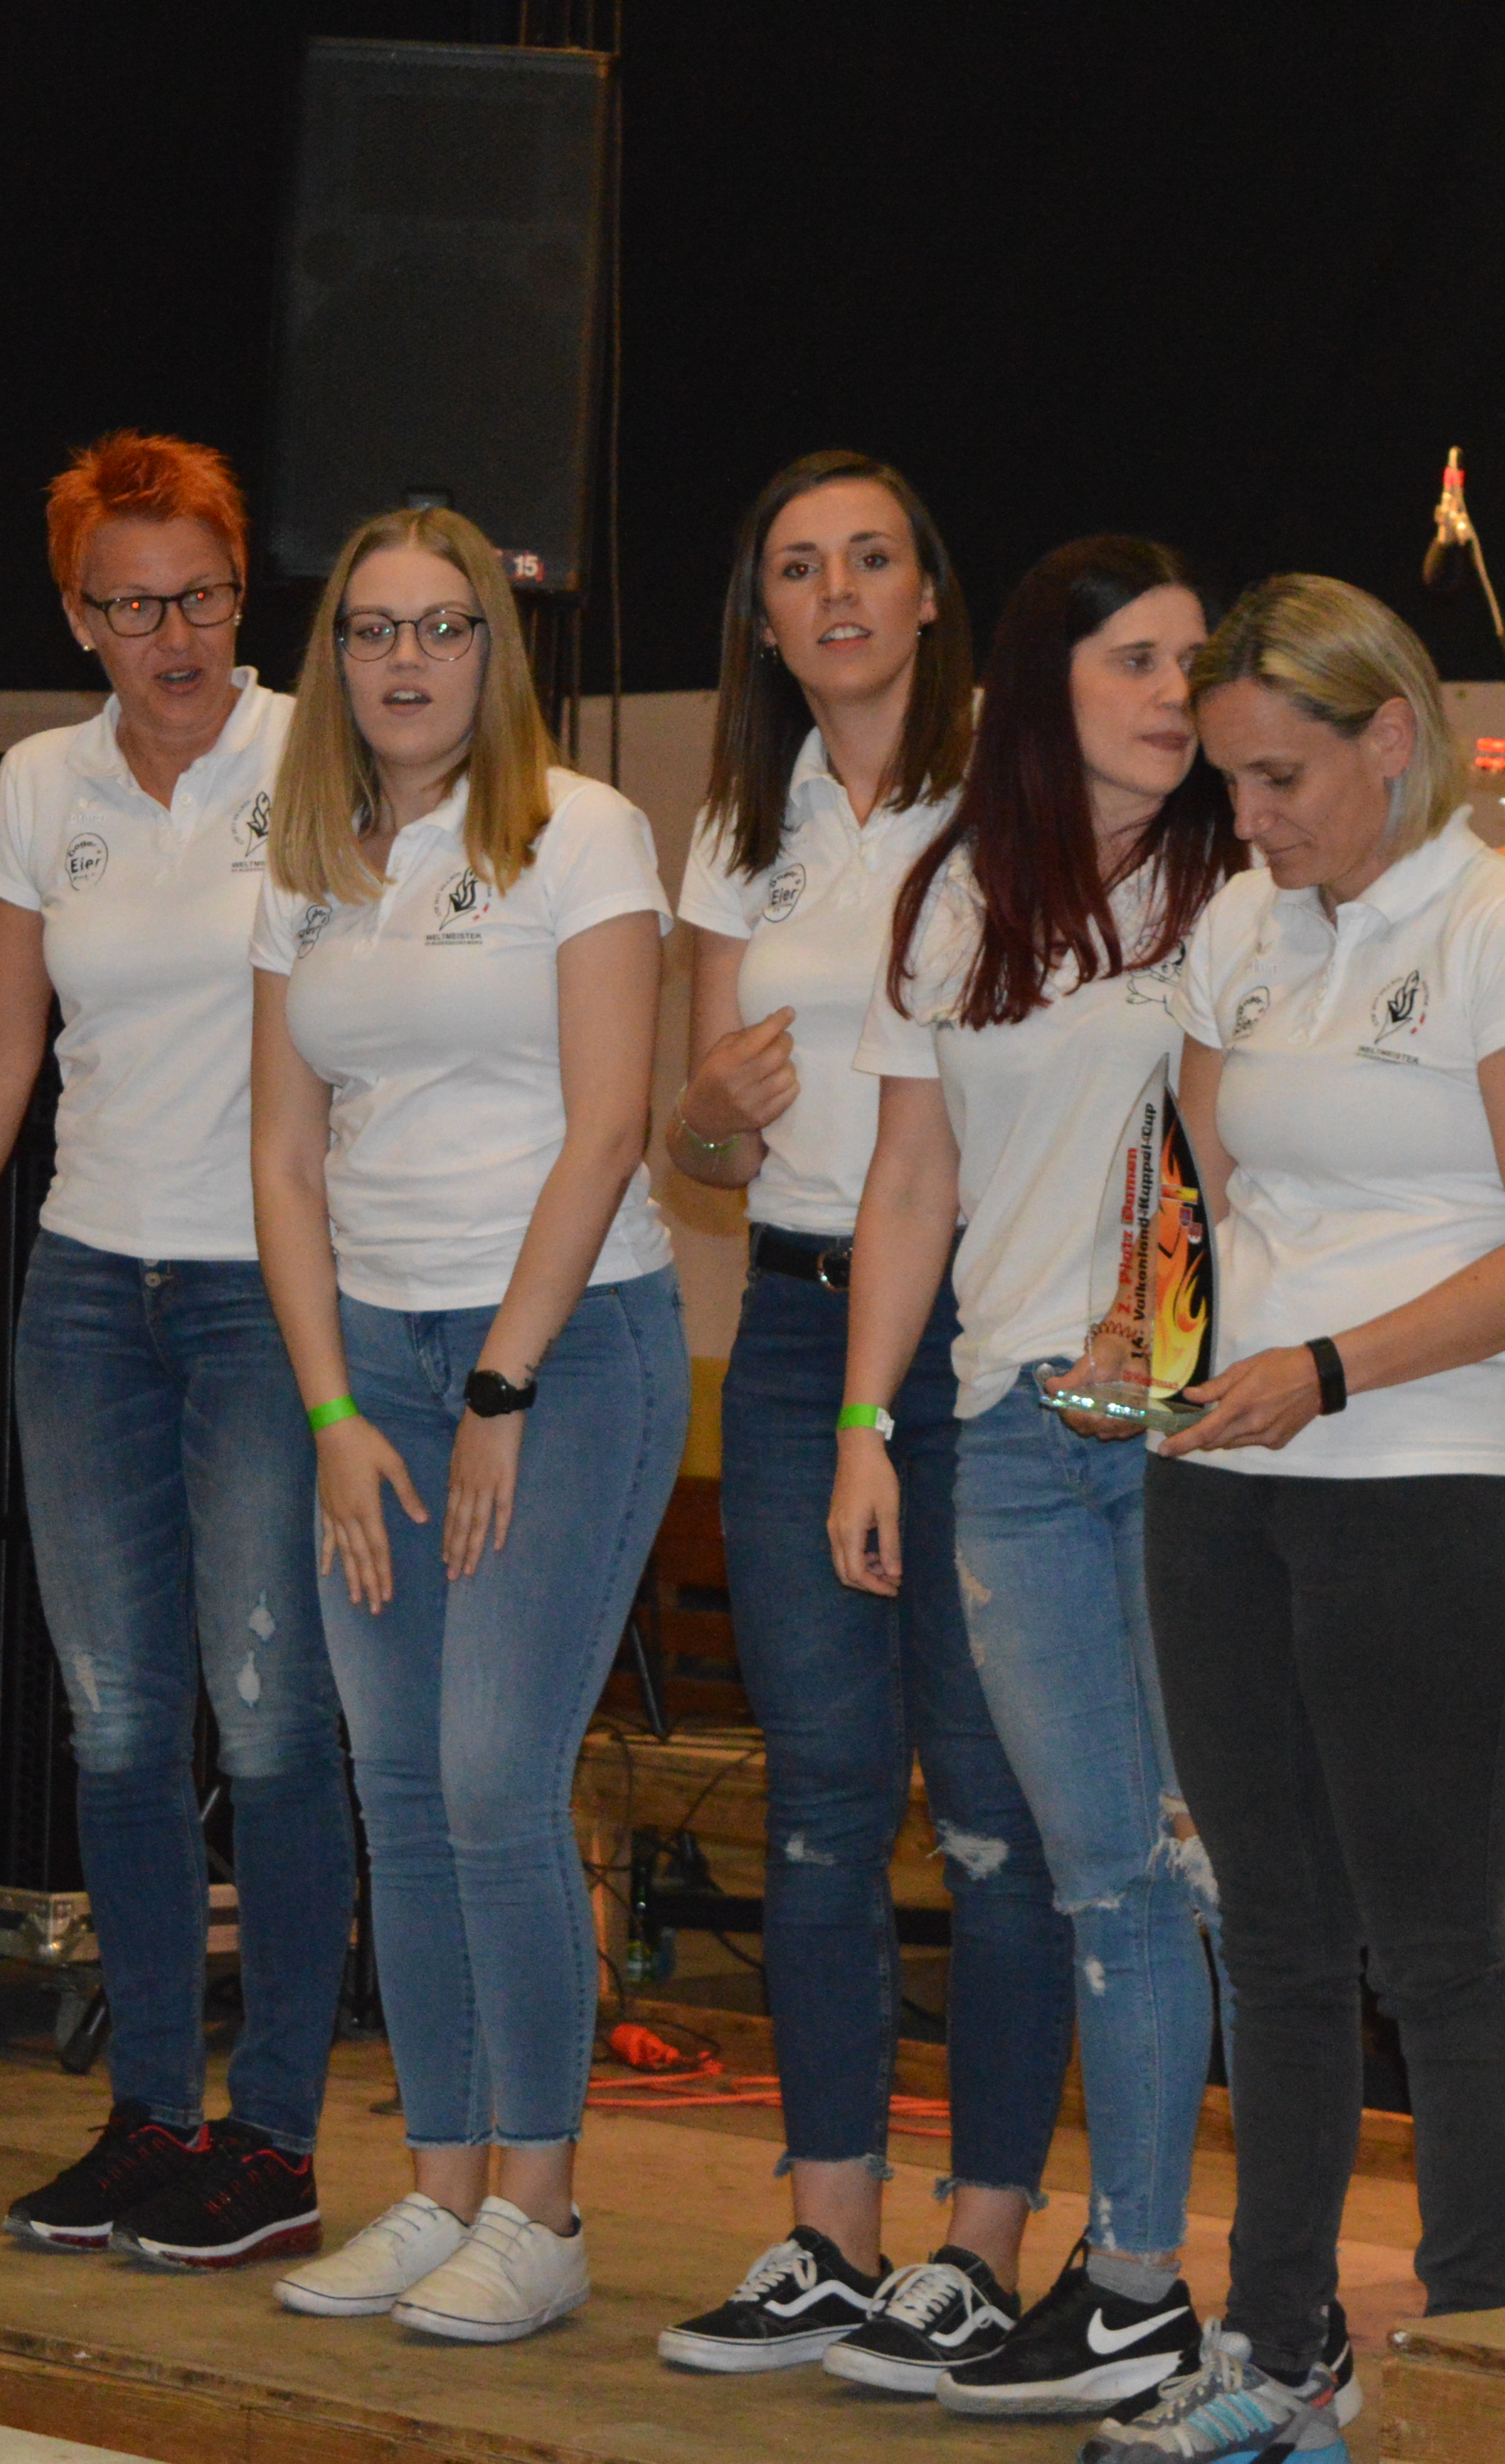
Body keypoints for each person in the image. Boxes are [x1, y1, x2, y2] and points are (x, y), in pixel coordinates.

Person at [1080, 577, 1505, 2464]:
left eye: (1282, 778)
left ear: (1391, 738)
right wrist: (1141, 1344)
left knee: (1435, 1951)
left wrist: (1328, 1369)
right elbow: (1201, 1198)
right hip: (1225, 1490)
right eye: (1229, 782)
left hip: (1429, 1493)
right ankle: (1273, 2349)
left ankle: (1468, 2373)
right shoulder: (1243, 922)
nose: (1253, 818)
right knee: (1278, 1943)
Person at [0, 432, 352, 2273]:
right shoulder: (38, 785)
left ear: (243, 592)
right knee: (124, 1721)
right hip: (86, 1289)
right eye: (134, 606)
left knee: (272, 1715)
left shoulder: (316, 755)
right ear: (76, 616)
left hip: (263, 1290)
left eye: (203, 596)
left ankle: (277, 2136)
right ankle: (154, 2113)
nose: (175, 639)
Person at [644, 453, 1077, 2389]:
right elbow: (701, 1149)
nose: (835, 595)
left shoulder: (1015, 792)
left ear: (927, 594)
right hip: (799, 1325)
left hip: (984, 1326)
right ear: (763, 620)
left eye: (871, 560)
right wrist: (701, 1119)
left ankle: (980, 2249)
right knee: (821, 1803)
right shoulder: (744, 822)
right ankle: (829, 2236)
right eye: (799, 568)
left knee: (989, 1812)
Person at [246, 503, 689, 2346]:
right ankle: (438, 2188)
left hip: (564, 1353)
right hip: (372, 1365)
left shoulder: (583, 833)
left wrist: (501, 1381)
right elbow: (281, 1159)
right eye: (372, 630)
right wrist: (332, 1411)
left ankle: (539, 2207)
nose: (405, 661)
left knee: (500, 1778)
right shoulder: (305, 865)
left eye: (442, 628)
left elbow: (610, 1127)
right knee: (402, 1788)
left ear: (494, 656)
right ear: (335, 658)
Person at [826, 536, 1243, 2423]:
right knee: (1105, 1876)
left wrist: (1173, 1341)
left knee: (1199, 1860)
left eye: (1193, 662)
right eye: (1135, 659)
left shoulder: (1243, 882)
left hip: (1190, 1431)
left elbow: (1251, 1159)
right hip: (1004, 1429)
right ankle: (1137, 2291)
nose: (1174, 694)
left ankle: (1224, 2283)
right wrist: (864, 1423)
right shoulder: (955, 891)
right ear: (1042, 684)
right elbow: (912, 1180)